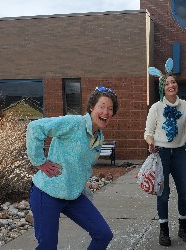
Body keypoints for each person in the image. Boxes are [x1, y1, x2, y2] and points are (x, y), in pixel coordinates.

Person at [26, 86, 118, 250]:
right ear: (91, 107)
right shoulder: (74, 123)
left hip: (72, 196)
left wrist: (83, 190)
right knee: (48, 246)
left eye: (110, 109)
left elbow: (82, 167)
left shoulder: (99, 138)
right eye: (102, 106)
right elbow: (35, 128)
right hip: (47, 192)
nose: (106, 112)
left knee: (103, 234)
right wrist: (39, 161)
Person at [145, 58, 186, 246]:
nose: (171, 85)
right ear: (162, 87)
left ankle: (183, 227)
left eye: (173, 81)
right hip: (161, 154)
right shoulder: (156, 107)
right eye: (167, 83)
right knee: (163, 193)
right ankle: (164, 230)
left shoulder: (185, 105)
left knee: (184, 191)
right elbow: (148, 133)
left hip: (178, 153)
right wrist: (151, 144)